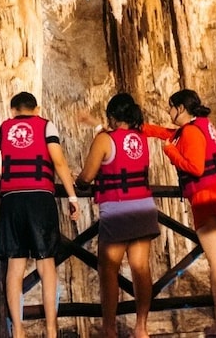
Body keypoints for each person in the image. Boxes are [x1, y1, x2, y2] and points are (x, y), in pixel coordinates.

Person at [143, 89, 216, 337]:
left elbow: (195, 166)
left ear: (181, 108)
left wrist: (170, 153)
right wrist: (140, 128)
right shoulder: (202, 126)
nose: (168, 112)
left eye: (171, 107)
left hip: (209, 197)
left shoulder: (191, 132)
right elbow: (167, 134)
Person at [0, 92, 80, 338]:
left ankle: (18, 331)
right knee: (46, 264)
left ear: (12, 110)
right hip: (40, 198)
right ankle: (51, 330)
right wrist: (73, 198)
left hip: (11, 201)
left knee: (14, 265)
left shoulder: (4, 128)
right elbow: (59, 162)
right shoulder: (45, 125)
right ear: (37, 108)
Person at [75, 93, 159, 338]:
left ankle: (109, 328)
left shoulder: (103, 139)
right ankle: (142, 327)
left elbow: (87, 176)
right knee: (140, 267)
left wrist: (77, 180)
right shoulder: (142, 138)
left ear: (112, 117)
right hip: (143, 207)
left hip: (117, 210)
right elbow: (121, 141)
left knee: (108, 268)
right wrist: (93, 122)